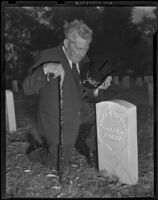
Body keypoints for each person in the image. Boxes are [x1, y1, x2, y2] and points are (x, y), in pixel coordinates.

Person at [23, 19, 112, 170]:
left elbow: (84, 91)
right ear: (66, 43)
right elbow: (27, 88)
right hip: (57, 119)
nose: (82, 54)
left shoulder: (85, 61)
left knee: (106, 113)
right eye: (78, 48)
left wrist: (97, 87)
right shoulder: (48, 56)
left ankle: (93, 149)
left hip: (79, 110)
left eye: (85, 49)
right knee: (58, 163)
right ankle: (36, 153)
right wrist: (44, 69)